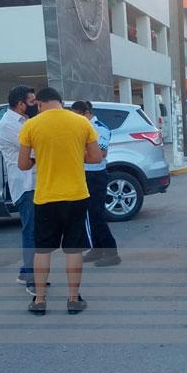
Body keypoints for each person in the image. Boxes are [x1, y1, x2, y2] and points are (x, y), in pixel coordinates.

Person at [18, 88, 102, 316]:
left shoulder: (31, 125)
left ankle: (39, 300)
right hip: (76, 195)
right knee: (74, 249)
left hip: (45, 197)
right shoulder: (82, 122)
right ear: (61, 102)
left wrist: (39, 158)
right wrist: (75, 155)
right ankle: (73, 299)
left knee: (43, 249)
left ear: (40, 103)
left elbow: (23, 164)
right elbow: (96, 157)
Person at [0, 85, 45, 295]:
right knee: (31, 231)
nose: (36, 105)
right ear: (20, 104)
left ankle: (26, 272)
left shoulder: (26, 121)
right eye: (32, 101)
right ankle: (31, 280)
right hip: (25, 185)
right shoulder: (8, 125)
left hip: (35, 182)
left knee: (37, 230)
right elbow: (34, 149)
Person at [71, 100, 121, 267]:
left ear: (86, 113)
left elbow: (101, 153)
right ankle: (97, 248)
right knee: (88, 215)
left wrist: (74, 153)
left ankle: (111, 253)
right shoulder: (83, 127)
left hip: (95, 175)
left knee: (96, 215)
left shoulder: (99, 128)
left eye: (76, 116)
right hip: (84, 174)